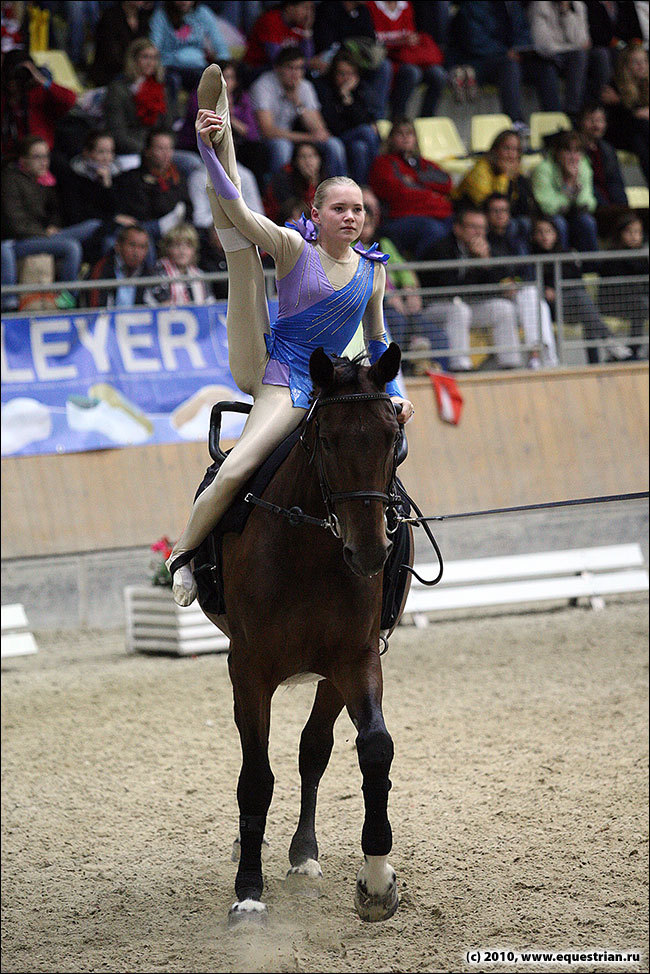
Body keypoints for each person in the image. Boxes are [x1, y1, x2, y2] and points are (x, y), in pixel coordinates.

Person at [165, 63, 414, 605]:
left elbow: (377, 340)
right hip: (285, 374)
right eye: (340, 209)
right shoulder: (294, 248)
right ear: (317, 213)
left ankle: (387, 578)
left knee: (378, 469)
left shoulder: (374, 268)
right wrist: (211, 149)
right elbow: (236, 211)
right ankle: (183, 553)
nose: (351, 217)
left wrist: (397, 394)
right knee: (239, 467)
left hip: (335, 382)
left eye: (358, 210)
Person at [417, 205, 525, 372]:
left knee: (504, 309)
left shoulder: (486, 250)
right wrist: (475, 266)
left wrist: (486, 263)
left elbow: (494, 287)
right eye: (473, 227)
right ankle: (460, 367)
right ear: (458, 229)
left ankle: (510, 364)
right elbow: (450, 290)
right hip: (435, 308)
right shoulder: (441, 249)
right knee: (459, 310)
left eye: (482, 228)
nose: (478, 233)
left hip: (466, 306)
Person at [360, 185, 450, 372]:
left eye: (368, 225)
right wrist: (389, 298)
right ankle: (395, 372)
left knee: (438, 335)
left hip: (401, 305)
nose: (365, 230)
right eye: (361, 225)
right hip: (376, 307)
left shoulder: (384, 243)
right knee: (397, 321)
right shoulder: (351, 248)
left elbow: (404, 271)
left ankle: (441, 374)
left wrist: (410, 291)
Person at [1, 135, 102, 293]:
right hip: (20, 241)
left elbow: (54, 213)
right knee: (71, 247)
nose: (44, 162)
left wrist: (53, 226)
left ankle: (92, 285)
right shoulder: (11, 180)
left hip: (43, 236)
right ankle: (68, 298)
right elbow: (15, 223)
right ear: (23, 160)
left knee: (95, 226)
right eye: (37, 157)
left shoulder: (45, 181)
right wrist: (43, 233)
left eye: (46, 156)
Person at [529, 215, 632, 363]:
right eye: (540, 232)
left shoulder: (567, 253)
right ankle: (610, 342)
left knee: (584, 306)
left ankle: (595, 362)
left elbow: (575, 279)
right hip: (547, 308)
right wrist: (544, 291)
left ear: (556, 234)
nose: (545, 236)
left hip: (570, 305)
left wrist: (556, 291)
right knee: (583, 302)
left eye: (549, 231)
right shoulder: (531, 258)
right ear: (533, 236)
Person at [249, 45, 347, 178]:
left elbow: (320, 129)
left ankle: (339, 190)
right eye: (290, 67)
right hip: (266, 142)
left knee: (334, 144)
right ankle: (279, 194)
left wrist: (298, 104)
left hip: (293, 137)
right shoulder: (263, 86)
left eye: (300, 68)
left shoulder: (304, 86)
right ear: (278, 68)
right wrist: (308, 138)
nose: (295, 73)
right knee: (282, 147)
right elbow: (267, 131)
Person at [485, 193, 559, 368]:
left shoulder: (518, 237)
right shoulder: (482, 238)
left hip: (518, 295)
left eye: (503, 210)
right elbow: (483, 276)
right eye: (495, 211)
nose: (500, 215)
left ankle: (537, 357)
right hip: (492, 296)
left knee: (536, 300)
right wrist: (502, 284)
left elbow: (526, 271)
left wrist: (515, 282)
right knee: (532, 297)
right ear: (487, 214)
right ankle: (544, 358)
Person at [368, 117, 453, 259]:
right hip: (398, 219)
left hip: (436, 215)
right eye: (400, 134)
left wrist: (416, 180)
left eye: (410, 134)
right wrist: (431, 192)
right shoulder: (383, 163)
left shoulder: (424, 163)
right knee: (434, 230)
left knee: (462, 228)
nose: (406, 138)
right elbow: (398, 192)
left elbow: (447, 182)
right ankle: (424, 274)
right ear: (391, 139)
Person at [445, 1, 533, 129]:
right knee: (509, 66)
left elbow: (523, 33)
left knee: (545, 68)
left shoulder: (512, 5)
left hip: (508, 57)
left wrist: (520, 49)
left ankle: (556, 127)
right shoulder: (471, 6)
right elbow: (474, 41)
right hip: (476, 61)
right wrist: (506, 52)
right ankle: (515, 120)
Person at [112, 128, 192, 259]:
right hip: (142, 229)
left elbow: (188, 208)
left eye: (169, 149)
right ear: (148, 151)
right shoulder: (132, 178)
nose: (166, 154)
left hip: (175, 230)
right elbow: (140, 212)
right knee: (143, 237)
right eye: (160, 149)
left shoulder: (179, 178)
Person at [311, 0, 393, 120]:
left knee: (384, 66)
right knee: (326, 64)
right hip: (333, 56)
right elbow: (325, 42)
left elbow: (370, 39)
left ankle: (377, 117)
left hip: (357, 58)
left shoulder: (363, 11)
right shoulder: (328, 8)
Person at [366, 0, 446, 119]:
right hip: (388, 59)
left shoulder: (406, 5)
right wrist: (398, 42)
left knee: (438, 74)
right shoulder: (371, 6)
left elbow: (410, 33)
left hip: (408, 57)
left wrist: (411, 40)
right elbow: (372, 41)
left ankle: (427, 119)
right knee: (412, 72)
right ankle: (398, 118)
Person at [453, 128, 533, 246]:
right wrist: (504, 177)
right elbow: (491, 204)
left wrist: (517, 180)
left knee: (529, 224)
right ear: (495, 150)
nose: (512, 154)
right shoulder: (481, 169)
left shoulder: (516, 172)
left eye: (516, 150)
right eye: (507, 148)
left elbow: (523, 205)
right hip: (474, 214)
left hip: (499, 215)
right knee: (513, 226)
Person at [314, 51, 380, 183]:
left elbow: (365, 118)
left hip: (353, 138)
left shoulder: (360, 89)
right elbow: (332, 125)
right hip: (332, 136)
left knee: (359, 148)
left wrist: (348, 100)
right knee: (366, 131)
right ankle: (379, 175)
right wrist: (343, 96)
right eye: (342, 73)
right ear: (333, 73)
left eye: (351, 74)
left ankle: (363, 186)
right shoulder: (324, 89)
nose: (346, 78)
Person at [1, 49, 77, 162]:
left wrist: (42, 80)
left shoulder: (40, 92)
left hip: (42, 156)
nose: (15, 80)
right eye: (11, 75)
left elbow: (69, 100)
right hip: (10, 156)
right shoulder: (4, 96)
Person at [531, 130, 600, 254]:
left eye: (577, 151)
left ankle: (592, 268)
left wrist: (575, 183)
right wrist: (568, 185)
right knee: (559, 223)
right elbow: (549, 207)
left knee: (587, 222)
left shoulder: (583, 167)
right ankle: (564, 267)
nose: (573, 157)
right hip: (547, 218)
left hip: (574, 215)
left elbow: (589, 203)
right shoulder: (543, 169)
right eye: (568, 151)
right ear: (558, 153)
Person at [148, 0, 229, 104]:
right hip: (170, 67)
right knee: (172, 81)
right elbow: (154, 45)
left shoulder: (202, 13)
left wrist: (225, 66)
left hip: (198, 67)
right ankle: (171, 118)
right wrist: (155, 66)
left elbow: (219, 44)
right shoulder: (161, 15)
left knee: (209, 82)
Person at [525, 0, 591, 119]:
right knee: (546, 66)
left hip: (569, 57)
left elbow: (581, 40)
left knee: (580, 56)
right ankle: (554, 117)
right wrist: (570, 47)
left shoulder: (578, 6)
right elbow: (543, 44)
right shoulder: (539, 5)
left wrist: (565, 12)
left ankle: (572, 112)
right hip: (547, 57)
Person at [599, 210, 648, 359]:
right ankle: (633, 352)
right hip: (613, 302)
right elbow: (615, 286)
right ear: (621, 233)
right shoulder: (613, 255)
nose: (634, 236)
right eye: (630, 232)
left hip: (637, 302)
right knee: (641, 304)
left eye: (638, 232)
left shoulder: (642, 257)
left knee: (641, 304)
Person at [576, 101, 629, 237]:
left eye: (600, 120)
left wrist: (623, 209)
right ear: (581, 122)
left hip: (611, 207)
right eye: (591, 120)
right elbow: (586, 183)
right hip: (589, 207)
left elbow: (616, 182)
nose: (596, 125)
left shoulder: (608, 150)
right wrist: (607, 209)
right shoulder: (574, 150)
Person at [601, 43, 649, 183]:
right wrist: (628, 107)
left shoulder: (646, 84)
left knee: (640, 140)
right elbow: (623, 118)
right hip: (617, 134)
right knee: (641, 127)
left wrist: (623, 104)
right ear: (626, 65)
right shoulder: (614, 84)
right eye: (636, 62)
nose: (642, 66)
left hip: (638, 137)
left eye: (644, 61)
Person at [243, 0, 317, 79]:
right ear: (290, 8)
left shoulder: (301, 24)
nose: (308, 14)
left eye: (311, 9)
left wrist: (306, 31)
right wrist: (303, 64)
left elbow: (307, 60)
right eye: (305, 8)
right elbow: (277, 59)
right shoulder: (271, 20)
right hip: (258, 68)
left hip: (286, 69)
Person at [85, 223, 154, 308]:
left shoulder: (148, 272)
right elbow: (95, 309)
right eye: (132, 245)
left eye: (142, 247)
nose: (136, 252)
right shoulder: (101, 269)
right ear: (118, 246)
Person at [145, 222, 212, 305]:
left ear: (194, 249)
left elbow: (209, 304)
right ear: (167, 248)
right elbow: (162, 305)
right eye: (177, 245)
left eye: (188, 245)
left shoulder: (200, 274)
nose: (182, 251)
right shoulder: (158, 271)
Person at [90, 0, 152, 88]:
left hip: (136, 71)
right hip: (111, 74)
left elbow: (145, 47)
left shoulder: (143, 18)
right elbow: (111, 56)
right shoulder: (110, 17)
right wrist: (135, 68)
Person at [263, 140, 325, 223]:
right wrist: (311, 184)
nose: (308, 161)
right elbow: (291, 211)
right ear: (295, 161)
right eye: (303, 157)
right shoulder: (284, 178)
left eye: (312, 156)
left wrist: (314, 182)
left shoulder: (324, 179)